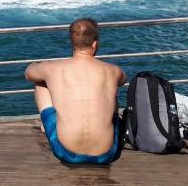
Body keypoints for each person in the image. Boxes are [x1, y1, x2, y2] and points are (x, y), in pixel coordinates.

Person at [24, 17, 126, 164]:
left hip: (66, 152)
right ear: (95, 44)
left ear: (72, 43)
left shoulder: (53, 69)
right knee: (111, 88)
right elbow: (122, 80)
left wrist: (36, 64)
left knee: (40, 81)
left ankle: (50, 125)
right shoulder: (113, 71)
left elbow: (28, 73)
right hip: (106, 154)